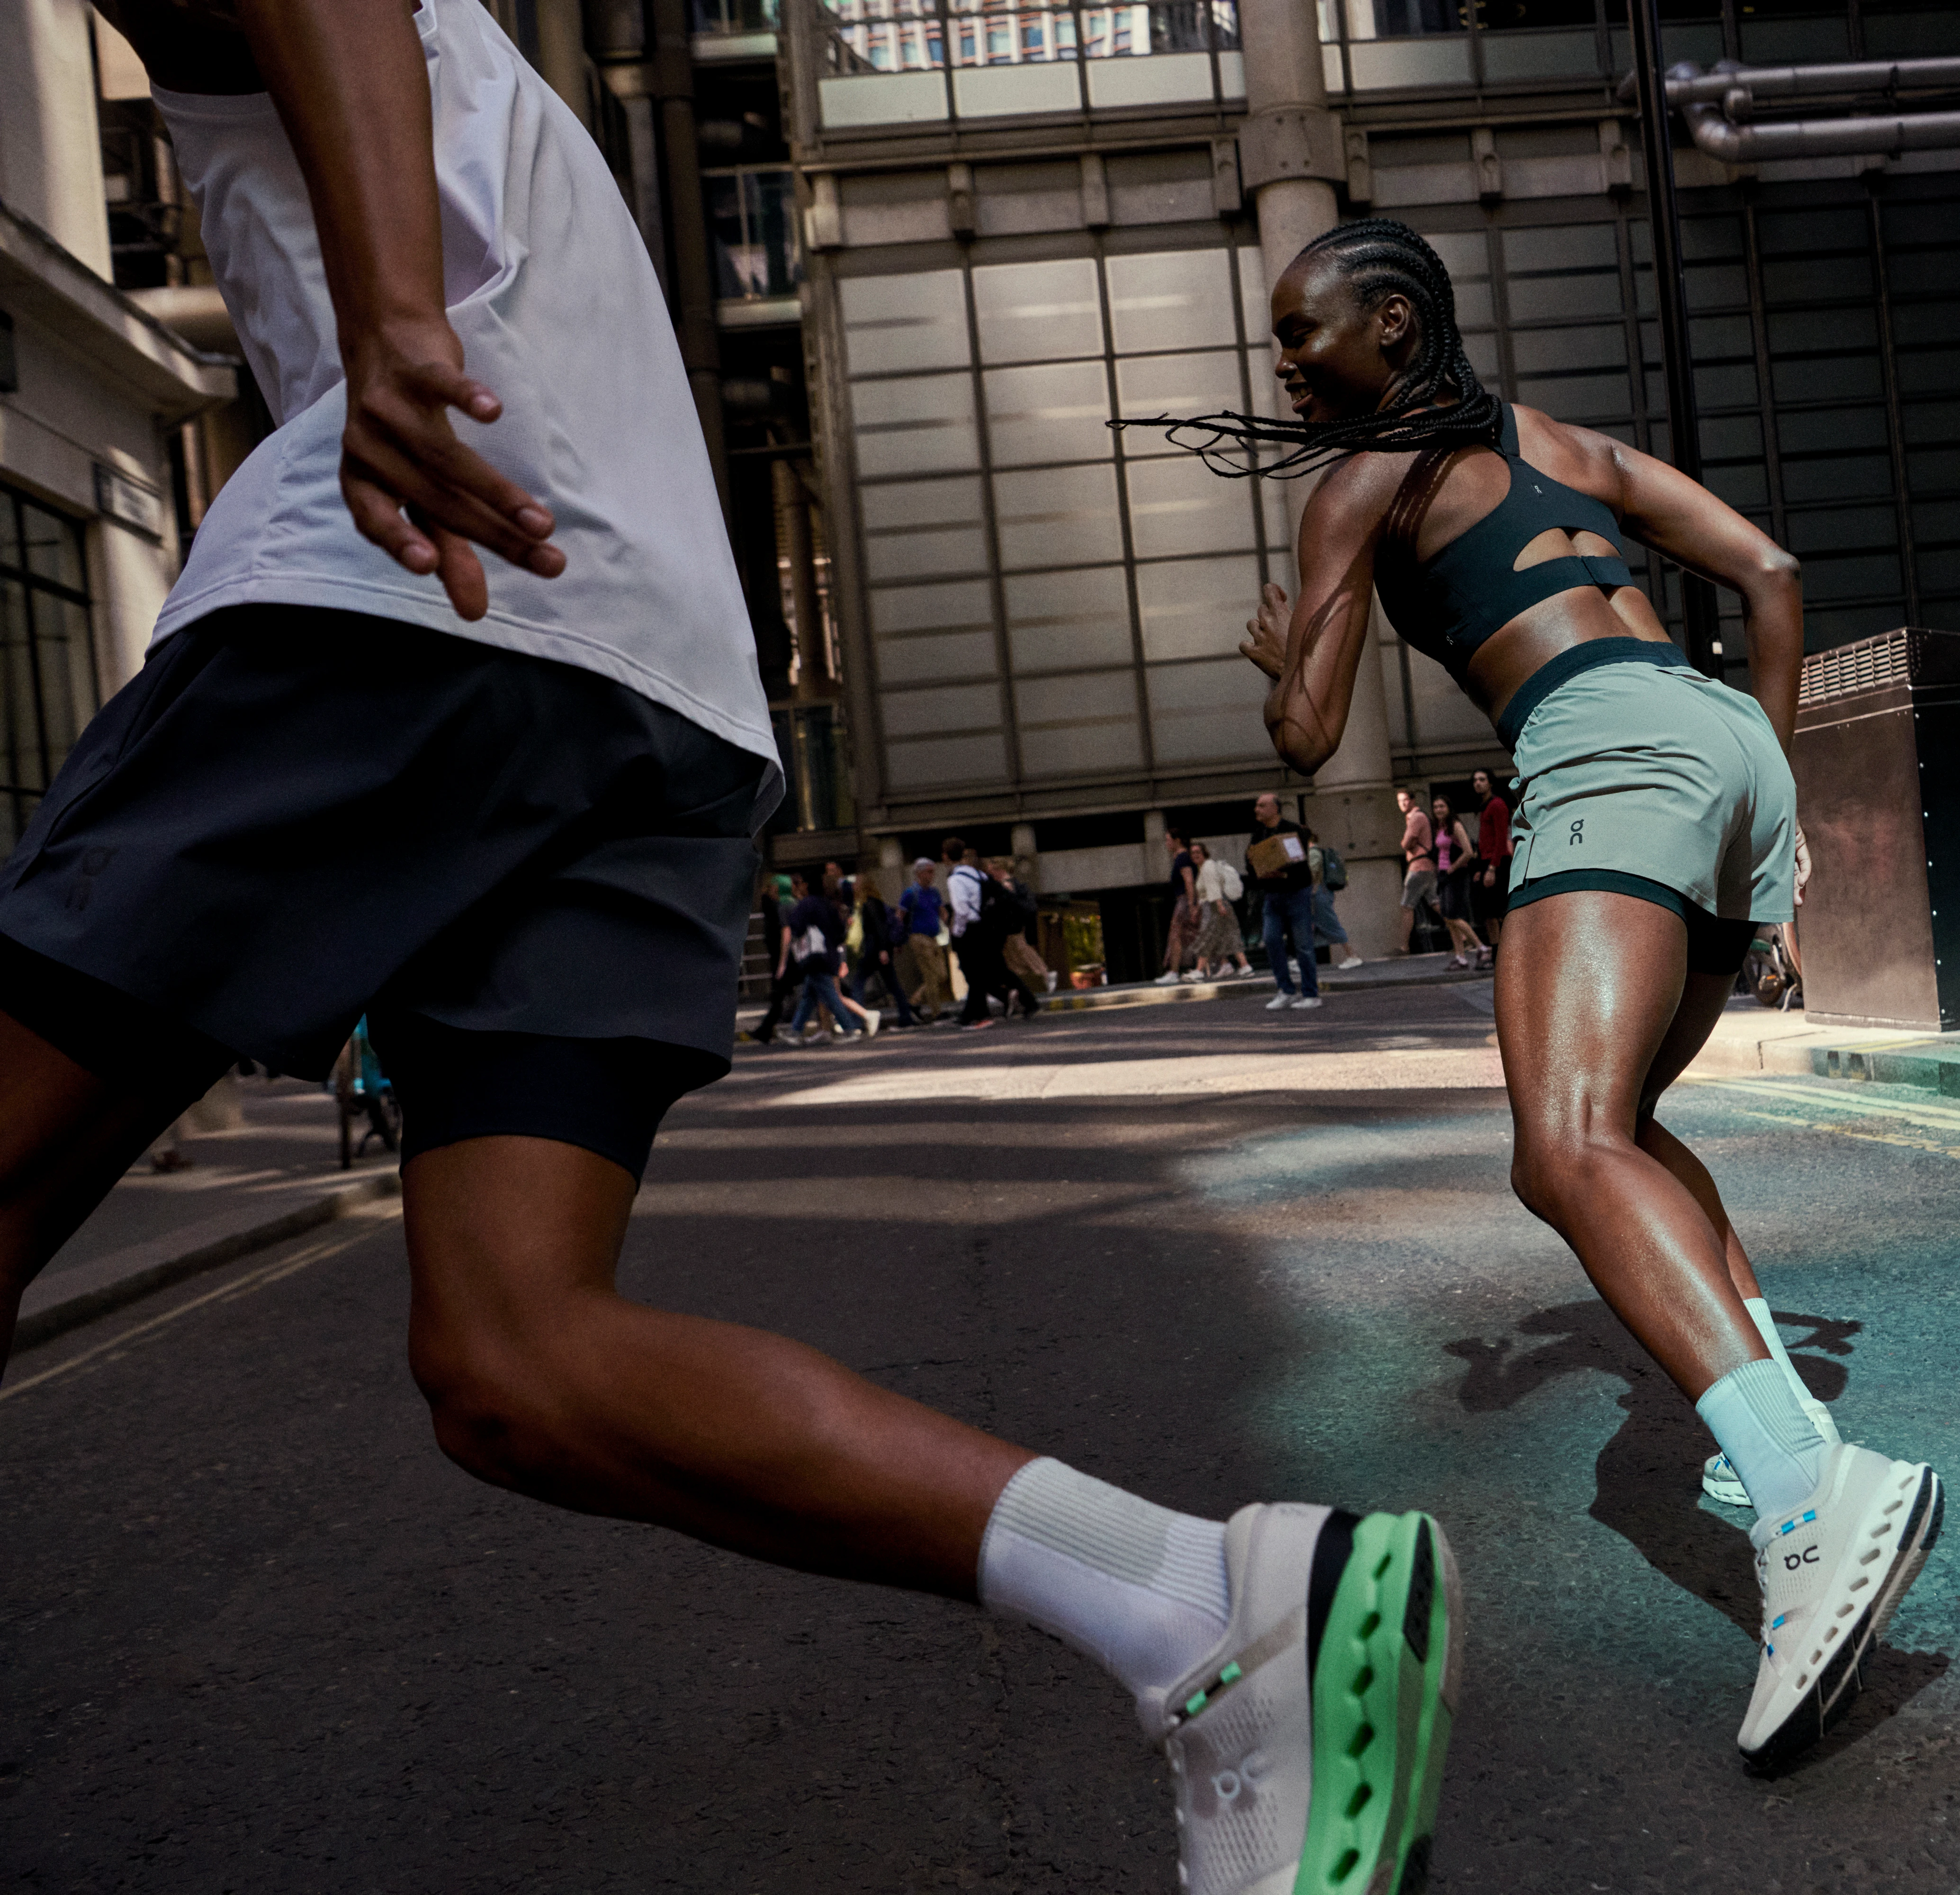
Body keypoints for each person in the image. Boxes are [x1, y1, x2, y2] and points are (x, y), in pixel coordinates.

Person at [0, 18, 1457, 1889]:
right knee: (519, 1356)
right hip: (643, 670)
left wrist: (385, 324)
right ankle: (1207, 1608)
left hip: (415, 570)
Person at [1155, 215, 1935, 1769]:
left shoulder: (1363, 483)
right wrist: (1766, 799)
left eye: (1303, 333)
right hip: (1721, 745)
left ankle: (1804, 1483)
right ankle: (1787, 1423)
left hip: (1601, 749)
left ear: (1390, 323)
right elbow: (1773, 575)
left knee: (1561, 1148)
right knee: (1626, 1124)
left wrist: (1281, 651)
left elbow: (1309, 738)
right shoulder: (1570, 442)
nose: (1284, 363)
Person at [945, 840, 1036, 1028]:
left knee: (974, 973)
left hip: (971, 930)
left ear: (945, 857)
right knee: (993, 969)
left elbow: (961, 910)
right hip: (988, 928)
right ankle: (1023, 1001)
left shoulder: (956, 879)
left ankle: (978, 1014)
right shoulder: (978, 875)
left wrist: (957, 932)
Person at [1249, 792, 1323, 1011]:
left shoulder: (1293, 830)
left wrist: (1280, 873)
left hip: (1296, 894)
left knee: (1304, 946)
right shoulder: (1258, 835)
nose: (1257, 810)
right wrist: (1261, 874)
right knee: (1271, 941)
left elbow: (1300, 864)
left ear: (1275, 809)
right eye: (1257, 806)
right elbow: (1251, 865)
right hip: (1272, 897)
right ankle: (1286, 991)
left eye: (1262, 806)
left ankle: (1311, 994)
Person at [782, 868, 856, 1044]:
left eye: (800, 884)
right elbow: (840, 932)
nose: (798, 887)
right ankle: (795, 1031)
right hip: (829, 955)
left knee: (830, 995)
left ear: (806, 886)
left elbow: (796, 927)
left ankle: (850, 1029)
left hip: (814, 958)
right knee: (810, 995)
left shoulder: (806, 905)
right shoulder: (827, 904)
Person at [1430, 794, 1487, 970]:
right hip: (1444, 875)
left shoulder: (1456, 825)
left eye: (1442, 806)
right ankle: (1461, 958)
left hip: (1456, 876)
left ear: (1449, 808)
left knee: (1454, 916)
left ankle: (1481, 948)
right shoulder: (1441, 827)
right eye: (1436, 807)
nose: (1439, 810)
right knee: (1448, 918)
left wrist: (1453, 868)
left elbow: (1469, 851)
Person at [851, 872, 914, 1025]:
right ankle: (906, 1017)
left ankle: (856, 1022)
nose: (853, 886)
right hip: (878, 950)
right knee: (893, 985)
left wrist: (883, 949)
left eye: (856, 883)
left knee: (859, 984)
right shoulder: (871, 902)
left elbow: (880, 927)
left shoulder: (869, 904)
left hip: (873, 950)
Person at [989, 858, 1058, 995]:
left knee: (1021, 951)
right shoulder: (1013, 884)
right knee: (1013, 957)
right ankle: (1017, 986)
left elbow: (1010, 906)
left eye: (992, 871)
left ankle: (1044, 974)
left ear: (998, 870)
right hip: (1014, 926)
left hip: (1011, 927)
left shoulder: (1007, 885)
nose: (990, 875)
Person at [1302, 826, 1364, 970]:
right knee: (1309, 929)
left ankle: (1352, 956)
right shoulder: (1313, 853)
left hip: (1319, 895)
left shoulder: (1314, 853)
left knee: (1331, 925)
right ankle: (1303, 960)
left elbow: (1310, 875)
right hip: (1317, 895)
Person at [898, 858, 952, 1021]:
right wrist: (899, 938)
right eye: (929, 872)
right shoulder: (911, 893)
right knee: (931, 974)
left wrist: (945, 919)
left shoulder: (934, 892)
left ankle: (914, 1002)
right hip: (919, 938)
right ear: (920, 873)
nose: (932, 875)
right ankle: (937, 1012)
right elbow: (900, 916)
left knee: (941, 975)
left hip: (935, 938)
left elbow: (942, 910)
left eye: (933, 871)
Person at [1187, 842, 1252, 978]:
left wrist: (1220, 905)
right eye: (1193, 853)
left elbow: (1214, 888)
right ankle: (1238, 965)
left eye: (1198, 852)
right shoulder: (1203, 868)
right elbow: (1204, 894)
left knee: (1207, 938)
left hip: (1216, 907)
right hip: (1215, 906)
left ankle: (1199, 971)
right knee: (1227, 937)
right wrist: (1198, 909)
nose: (1195, 855)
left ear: (1204, 853)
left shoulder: (1208, 867)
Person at [749, 872, 792, 1044]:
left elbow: (786, 933)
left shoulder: (780, 906)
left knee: (780, 994)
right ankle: (767, 1030)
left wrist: (782, 962)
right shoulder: (784, 905)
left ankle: (766, 1030)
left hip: (785, 957)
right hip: (786, 956)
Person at [1472, 767, 1512, 948]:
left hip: (1497, 863)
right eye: (1475, 780)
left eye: (1482, 780)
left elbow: (1500, 839)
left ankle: (1504, 950)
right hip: (1487, 863)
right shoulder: (1485, 805)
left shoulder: (1497, 805)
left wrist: (1492, 869)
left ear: (1490, 783)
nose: (1478, 783)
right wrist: (1482, 869)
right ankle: (1496, 951)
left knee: (1497, 912)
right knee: (1488, 914)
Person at [1396, 785, 1439, 955]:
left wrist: (1406, 844)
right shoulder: (1415, 817)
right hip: (1425, 865)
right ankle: (1464, 936)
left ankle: (1404, 947)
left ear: (1413, 800)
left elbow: (1407, 843)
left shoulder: (1416, 818)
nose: (1403, 804)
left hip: (1419, 867)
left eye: (1406, 800)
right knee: (1435, 903)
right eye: (1400, 801)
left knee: (1407, 906)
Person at [1152, 832, 1199, 984]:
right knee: (1193, 935)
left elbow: (1189, 881)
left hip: (1185, 900)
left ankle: (1174, 972)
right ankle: (1219, 965)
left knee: (1176, 936)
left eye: (1168, 840)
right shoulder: (1181, 857)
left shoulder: (1183, 857)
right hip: (1185, 900)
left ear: (1177, 841)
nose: (1166, 843)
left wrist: (1192, 905)